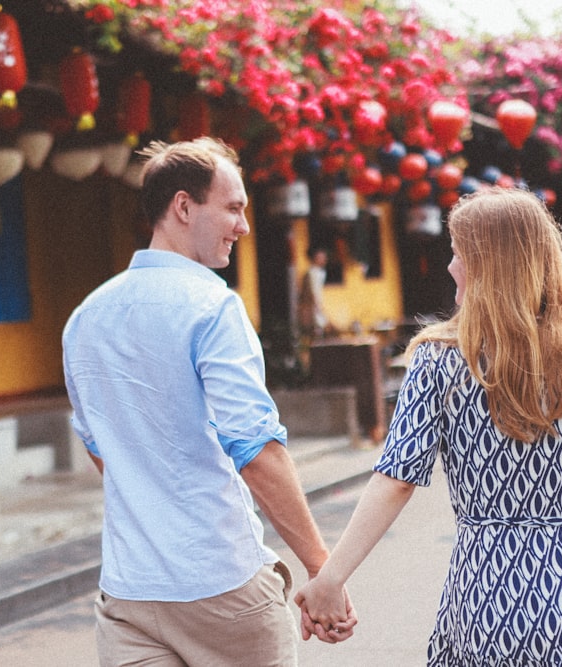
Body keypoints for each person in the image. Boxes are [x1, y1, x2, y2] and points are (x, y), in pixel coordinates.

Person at [295, 187, 562, 665]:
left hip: (483, 595)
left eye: (458, 254)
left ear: (488, 264)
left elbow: (395, 482)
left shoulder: (439, 361)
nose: (451, 266)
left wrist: (331, 578)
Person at [62, 137, 355, 666]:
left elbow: (99, 448)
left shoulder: (85, 316)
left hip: (128, 592)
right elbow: (257, 452)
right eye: (234, 208)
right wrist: (321, 569)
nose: (244, 226)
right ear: (183, 206)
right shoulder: (212, 307)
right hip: (221, 587)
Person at [297, 247, 329, 339]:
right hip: (312, 308)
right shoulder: (313, 273)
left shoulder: (319, 272)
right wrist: (318, 308)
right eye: (321, 257)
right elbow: (313, 292)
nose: (324, 259)